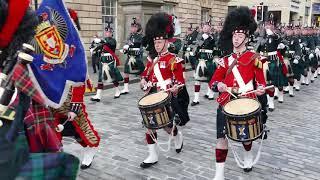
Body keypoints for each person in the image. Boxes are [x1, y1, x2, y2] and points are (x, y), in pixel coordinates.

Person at [209, 7, 267, 180]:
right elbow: (213, 81)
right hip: (226, 101)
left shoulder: (254, 57)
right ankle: (219, 174)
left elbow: (261, 81)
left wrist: (262, 88)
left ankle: (248, 155)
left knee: (246, 137)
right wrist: (218, 85)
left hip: (246, 99)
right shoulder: (225, 60)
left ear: (247, 38)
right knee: (221, 136)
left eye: (240, 36)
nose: (236, 39)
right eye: (234, 36)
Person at [139, 12, 190, 168]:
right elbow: (145, 75)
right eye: (156, 43)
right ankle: (152, 155)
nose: (157, 45)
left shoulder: (174, 60)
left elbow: (180, 81)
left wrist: (175, 88)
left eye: (160, 42)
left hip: (167, 96)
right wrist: (143, 81)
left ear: (166, 42)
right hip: (153, 96)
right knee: (149, 125)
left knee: (167, 127)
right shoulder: (152, 60)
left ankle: (177, 136)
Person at [90, 21, 123, 101]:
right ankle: (98, 95)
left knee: (112, 76)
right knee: (100, 78)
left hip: (110, 60)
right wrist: (93, 49)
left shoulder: (113, 40)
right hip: (102, 61)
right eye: (106, 32)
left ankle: (118, 90)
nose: (107, 33)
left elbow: (109, 44)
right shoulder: (103, 41)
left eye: (109, 32)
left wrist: (100, 42)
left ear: (112, 33)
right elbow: (98, 48)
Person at [191, 16, 217, 106]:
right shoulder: (199, 37)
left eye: (207, 27)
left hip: (209, 59)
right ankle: (196, 99)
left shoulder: (213, 38)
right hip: (200, 59)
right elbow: (196, 48)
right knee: (197, 80)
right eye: (204, 27)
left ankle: (210, 94)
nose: (205, 28)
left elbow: (215, 49)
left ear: (210, 29)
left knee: (210, 78)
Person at [121, 17, 145, 95]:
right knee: (126, 72)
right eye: (132, 27)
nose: (132, 28)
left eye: (134, 27)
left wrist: (135, 48)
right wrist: (125, 49)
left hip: (136, 56)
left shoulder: (140, 36)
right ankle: (126, 88)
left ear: (138, 28)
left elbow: (142, 47)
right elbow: (127, 44)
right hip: (130, 56)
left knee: (141, 72)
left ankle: (144, 84)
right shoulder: (130, 36)